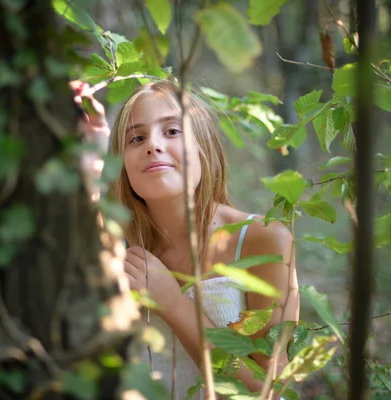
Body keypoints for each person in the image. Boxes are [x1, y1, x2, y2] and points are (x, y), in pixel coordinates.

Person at [71, 79, 299, 399]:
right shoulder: (113, 244)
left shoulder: (262, 240)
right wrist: (89, 152)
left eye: (172, 131)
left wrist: (174, 303)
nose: (153, 145)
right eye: (136, 138)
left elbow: (273, 392)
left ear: (203, 146)